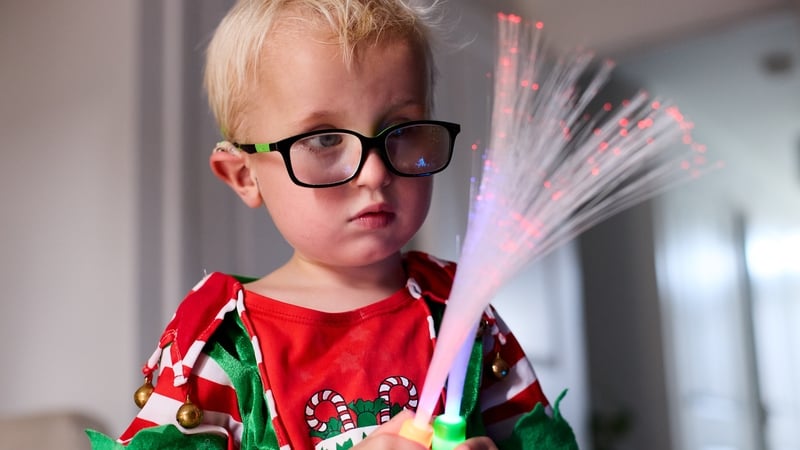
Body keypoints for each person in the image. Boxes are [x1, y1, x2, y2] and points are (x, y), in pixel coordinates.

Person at [88, 0, 577, 449]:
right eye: (323, 140)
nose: (375, 173)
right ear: (244, 175)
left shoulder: (461, 310)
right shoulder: (222, 344)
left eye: (401, 130)